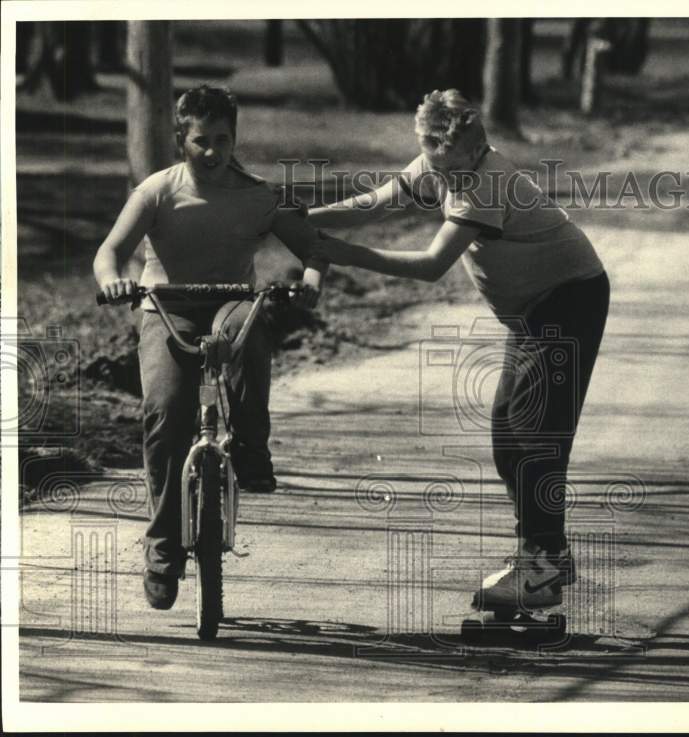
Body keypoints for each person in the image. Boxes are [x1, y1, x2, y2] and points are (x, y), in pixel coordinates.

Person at [308, 89, 609, 610]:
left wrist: (343, 254)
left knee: (535, 431)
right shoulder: (440, 162)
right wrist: (301, 220)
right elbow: (377, 204)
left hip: (568, 300)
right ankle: (548, 554)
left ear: (477, 149)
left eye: (452, 171)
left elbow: (430, 265)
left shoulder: (486, 181)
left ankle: (539, 565)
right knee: (507, 436)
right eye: (435, 167)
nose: (443, 181)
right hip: (534, 312)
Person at [93, 85, 332, 610]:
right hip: (167, 308)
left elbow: (315, 246)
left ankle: (250, 449)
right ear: (182, 139)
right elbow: (110, 252)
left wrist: (312, 277)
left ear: (235, 138)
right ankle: (161, 552)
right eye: (201, 141)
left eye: (223, 140)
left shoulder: (257, 193)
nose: (212, 152)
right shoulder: (158, 191)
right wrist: (113, 281)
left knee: (249, 324)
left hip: (230, 302)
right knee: (166, 414)